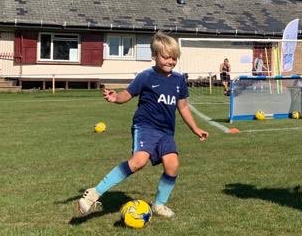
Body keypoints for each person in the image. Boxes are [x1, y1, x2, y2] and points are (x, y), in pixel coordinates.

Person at [75, 32, 208, 219]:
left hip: (166, 133)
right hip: (145, 127)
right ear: (154, 56)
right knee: (138, 162)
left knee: (173, 165)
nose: (170, 61)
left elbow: (183, 106)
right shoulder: (146, 77)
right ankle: (94, 193)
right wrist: (116, 98)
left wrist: (196, 129)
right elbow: (127, 94)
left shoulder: (179, 80)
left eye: (174, 58)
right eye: (166, 56)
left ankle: (159, 205)